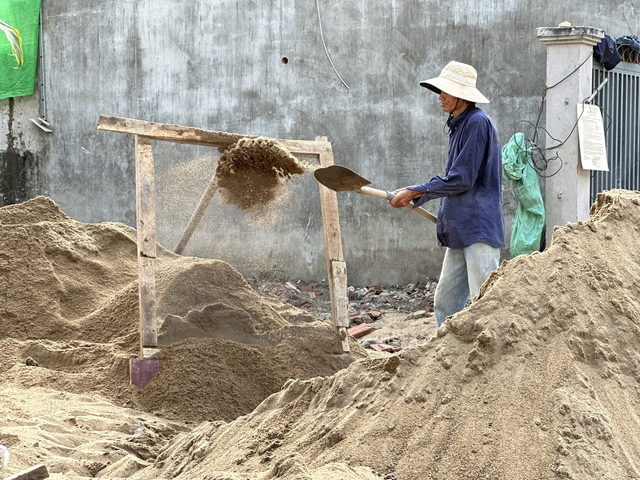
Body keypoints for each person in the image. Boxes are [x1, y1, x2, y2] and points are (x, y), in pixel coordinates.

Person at [390, 60, 504, 329]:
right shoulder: (458, 124)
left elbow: (461, 179)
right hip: (460, 229)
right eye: (441, 90)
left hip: (478, 229)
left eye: (447, 91)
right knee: (445, 302)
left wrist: (418, 191)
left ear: (462, 96)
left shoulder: (477, 123)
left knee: (485, 303)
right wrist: (417, 192)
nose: (440, 96)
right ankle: (442, 359)